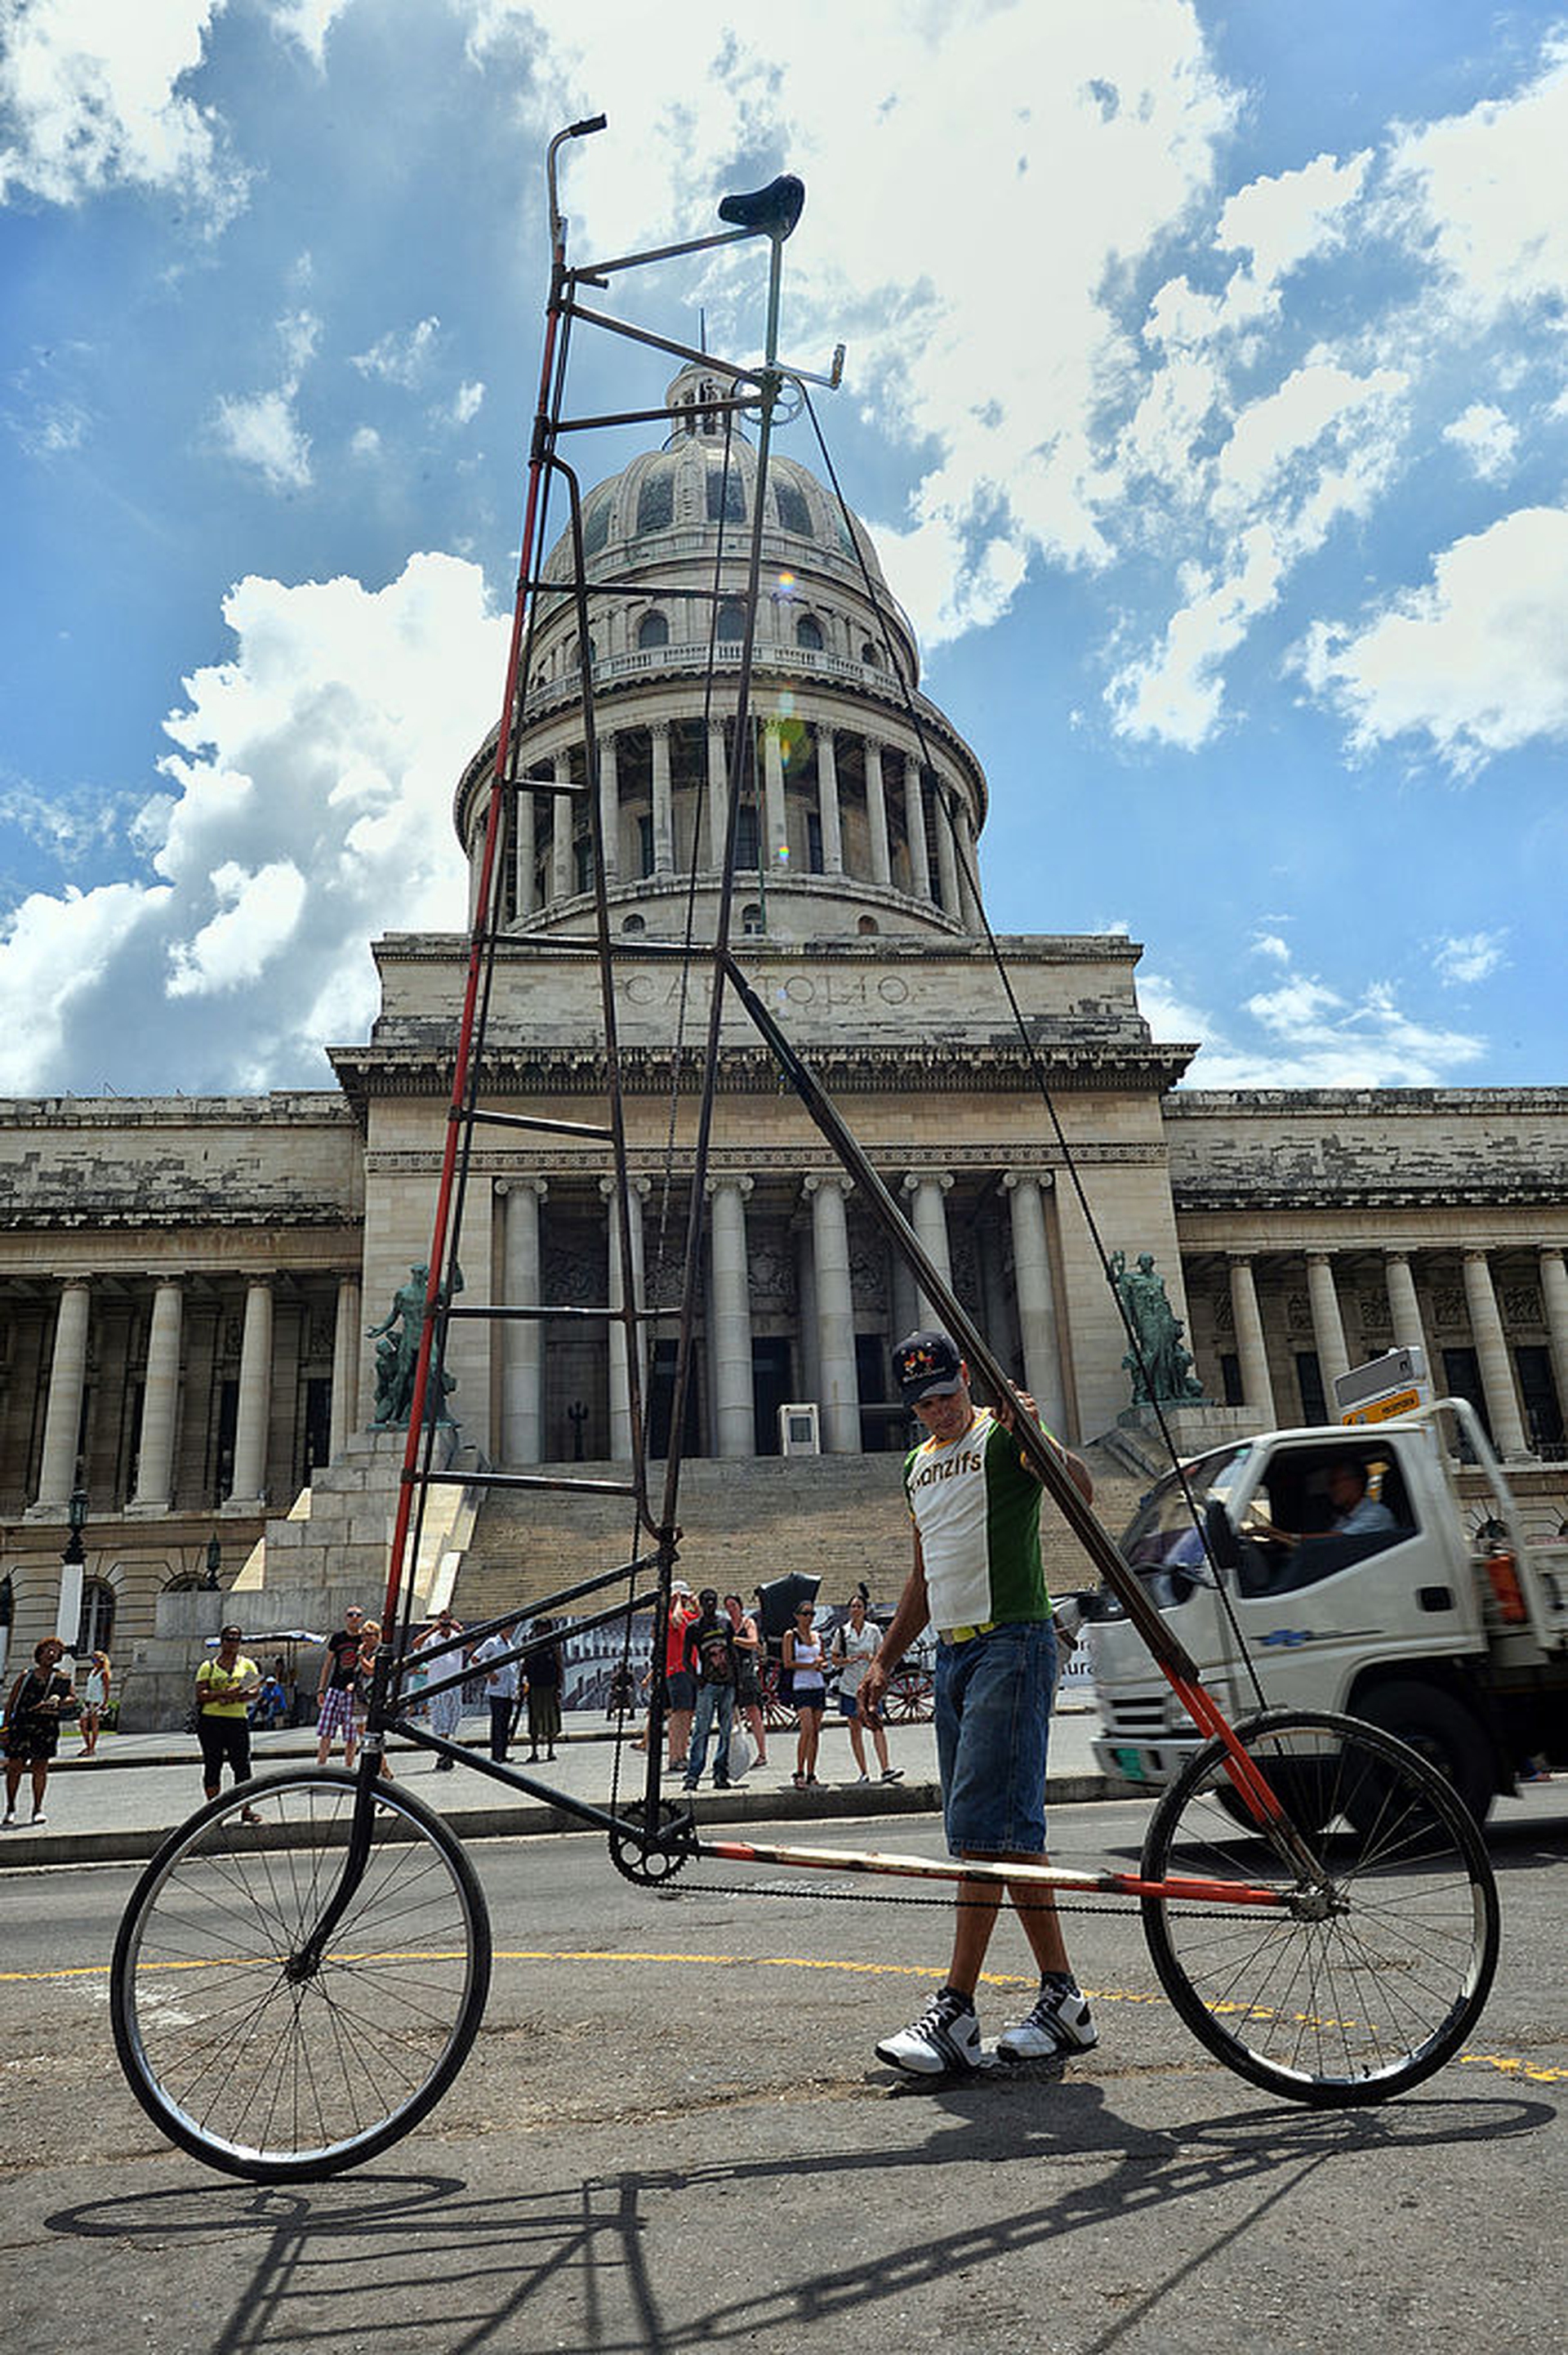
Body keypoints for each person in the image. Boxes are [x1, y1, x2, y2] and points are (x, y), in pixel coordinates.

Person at [860, 1330, 1098, 2076]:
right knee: (1013, 1835)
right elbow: (925, 1575)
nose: (935, 1412)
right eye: (922, 1403)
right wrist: (884, 1658)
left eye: (944, 1395)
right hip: (956, 1653)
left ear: (966, 1378)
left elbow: (1080, 1490)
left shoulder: (1003, 1436)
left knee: (980, 1835)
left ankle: (956, 2011)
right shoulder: (916, 1466)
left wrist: (1037, 1431)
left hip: (1014, 1641)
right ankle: (1063, 2000)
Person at [831, 1592, 902, 1786]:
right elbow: (834, 1659)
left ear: (864, 1610)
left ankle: (886, 1768)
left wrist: (869, 1658)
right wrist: (848, 1660)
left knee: (876, 1725)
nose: (855, 1610)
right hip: (849, 1686)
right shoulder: (842, 1632)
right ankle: (863, 1771)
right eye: (852, 1606)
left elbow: (882, 1657)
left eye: (859, 1606)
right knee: (855, 1729)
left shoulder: (873, 1631)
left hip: (870, 1686)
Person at [3, 1638, 74, 1827]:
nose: (52, 1654)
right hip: (22, 1726)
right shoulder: (27, 1675)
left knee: (40, 1768)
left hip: (46, 1728)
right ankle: (10, 1808)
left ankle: (37, 1809)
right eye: (48, 1650)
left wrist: (58, 1702)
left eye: (56, 1651)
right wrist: (5, 1728)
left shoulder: (62, 1677)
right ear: (40, 1653)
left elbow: (72, 1699)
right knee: (15, 1767)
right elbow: (12, 1703)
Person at [195, 1625, 262, 1819]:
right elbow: (200, 1695)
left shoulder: (248, 1665)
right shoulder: (208, 1666)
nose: (232, 1643)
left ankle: (246, 1809)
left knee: (242, 1765)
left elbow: (255, 1691)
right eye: (228, 1639)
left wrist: (235, 1697)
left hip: (237, 1720)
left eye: (236, 1639)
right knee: (212, 1764)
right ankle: (213, 1811)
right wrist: (224, 1693)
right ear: (221, 1641)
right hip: (211, 1721)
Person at [682, 1588, 739, 1791]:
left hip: (727, 1684)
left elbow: (733, 1653)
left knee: (725, 1731)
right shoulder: (694, 1628)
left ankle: (720, 1773)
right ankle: (693, 1775)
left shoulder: (725, 1624)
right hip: (708, 1685)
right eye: (706, 1601)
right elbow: (685, 1659)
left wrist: (737, 1683)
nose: (709, 1604)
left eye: (713, 1601)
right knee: (701, 1731)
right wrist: (697, 1680)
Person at [415, 1608, 466, 1768]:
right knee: (440, 1721)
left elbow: (471, 1646)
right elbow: (416, 1645)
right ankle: (445, 1754)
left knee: (452, 1721)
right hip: (437, 1686)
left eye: (448, 1623)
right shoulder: (432, 1639)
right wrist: (433, 1629)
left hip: (454, 1685)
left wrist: (461, 1630)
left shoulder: (457, 1637)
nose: (445, 1626)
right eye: (443, 1623)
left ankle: (445, 1752)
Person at [784, 1600, 826, 1787]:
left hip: (817, 1685)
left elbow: (822, 1659)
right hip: (801, 1686)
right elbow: (788, 1662)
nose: (809, 1618)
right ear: (797, 1616)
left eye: (812, 1614)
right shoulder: (790, 1635)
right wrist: (810, 1665)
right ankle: (799, 1771)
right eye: (805, 1614)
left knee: (816, 1732)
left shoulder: (817, 1636)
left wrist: (821, 1663)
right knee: (807, 1728)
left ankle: (811, 1772)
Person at [316, 1607, 365, 1768]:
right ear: (346, 1618)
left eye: (358, 1615)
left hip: (353, 1692)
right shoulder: (338, 1638)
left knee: (350, 1735)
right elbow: (327, 1664)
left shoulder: (364, 1640)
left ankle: (348, 1768)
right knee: (326, 1731)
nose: (354, 1618)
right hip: (335, 1688)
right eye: (351, 1615)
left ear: (361, 1619)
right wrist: (321, 1689)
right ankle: (321, 1767)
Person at [724, 1592, 768, 1768]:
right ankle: (733, 1755)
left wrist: (734, 1640)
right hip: (730, 1673)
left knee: (753, 1712)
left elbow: (753, 1642)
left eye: (733, 1606)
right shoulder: (726, 1625)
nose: (731, 1610)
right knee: (730, 1715)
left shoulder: (748, 1623)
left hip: (746, 1672)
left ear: (740, 1606)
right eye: (727, 1607)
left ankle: (762, 1753)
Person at [662, 1581, 699, 1772]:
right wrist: (676, 1600)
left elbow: (701, 1620)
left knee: (687, 1715)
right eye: (682, 1597)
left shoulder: (687, 1615)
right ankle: (675, 1756)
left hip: (689, 1669)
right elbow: (676, 1620)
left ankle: (682, 1754)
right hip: (677, 1670)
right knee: (679, 1714)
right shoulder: (669, 1615)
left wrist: (695, 1603)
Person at [473, 1620, 520, 1764]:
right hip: (497, 1689)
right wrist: (488, 1673)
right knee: (498, 1723)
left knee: (506, 1723)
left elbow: (514, 1668)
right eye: (508, 1628)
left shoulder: (511, 1646)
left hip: (509, 1690)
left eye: (512, 1628)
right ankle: (496, 1755)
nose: (510, 1631)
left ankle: (503, 1753)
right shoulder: (492, 1643)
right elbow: (475, 1658)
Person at [524, 1617, 564, 1763]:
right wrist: (522, 1683)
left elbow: (560, 1667)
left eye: (544, 1628)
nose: (541, 1631)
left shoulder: (554, 1645)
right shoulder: (531, 1645)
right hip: (534, 1687)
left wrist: (559, 1687)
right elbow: (525, 1665)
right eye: (539, 1628)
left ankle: (550, 1751)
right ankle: (534, 1752)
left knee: (551, 1721)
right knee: (534, 1720)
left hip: (550, 1687)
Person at [79, 1648, 111, 1756]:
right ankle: (88, 1746)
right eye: (93, 1659)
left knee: (94, 1725)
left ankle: (92, 1748)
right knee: (82, 1723)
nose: (94, 1661)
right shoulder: (92, 1672)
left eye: (96, 1659)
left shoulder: (104, 1673)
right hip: (89, 1701)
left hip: (97, 1702)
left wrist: (105, 1703)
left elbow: (106, 1689)